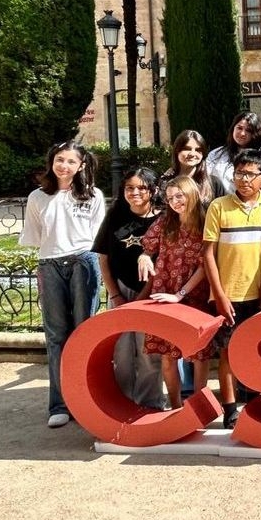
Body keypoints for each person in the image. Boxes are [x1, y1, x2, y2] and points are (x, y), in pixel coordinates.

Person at [20, 141, 106, 428]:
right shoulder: (38, 197)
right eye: (60, 160)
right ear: (51, 162)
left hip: (84, 262)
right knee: (56, 335)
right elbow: (35, 236)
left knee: (84, 332)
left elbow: (98, 236)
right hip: (50, 264)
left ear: (81, 165)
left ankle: (86, 400)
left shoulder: (93, 195)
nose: (64, 166)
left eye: (71, 161)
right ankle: (59, 404)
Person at [203, 149, 261, 429]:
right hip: (227, 295)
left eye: (250, 174)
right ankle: (230, 410)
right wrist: (219, 295)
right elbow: (208, 254)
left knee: (256, 351)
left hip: (259, 294)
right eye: (239, 173)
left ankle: (255, 404)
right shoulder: (219, 206)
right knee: (227, 352)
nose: (244, 180)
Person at [138, 176, 214, 410]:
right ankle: (176, 407)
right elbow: (147, 247)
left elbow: (205, 265)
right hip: (166, 292)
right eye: (170, 198)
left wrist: (180, 294)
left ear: (192, 194)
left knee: (199, 354)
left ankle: (199, 407)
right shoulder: (165, 222)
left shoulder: (206, 222)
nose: (174, 202)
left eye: (179, 196)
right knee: (168, 353)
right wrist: (144, 257)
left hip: (195, 295)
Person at [94, 166, 164, 410]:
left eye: (141, 188)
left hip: (150, 294)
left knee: (148, 351)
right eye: (129, 188)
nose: (135, 193)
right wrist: (115, 295)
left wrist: (141, 299)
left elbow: (163, 263)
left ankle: (150, 403)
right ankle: (123, 402)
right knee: (121, 350)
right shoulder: (116, 215)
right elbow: (103, 257)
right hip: (121, 290)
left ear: (153, 190)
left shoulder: (163, 220)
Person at [206, 111, 261, 195]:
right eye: (239, 128)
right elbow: (205, 179)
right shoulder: (216, 154)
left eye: (248, 130)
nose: (242, 133)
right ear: (233, 128)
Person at [161, 129, 226, 205]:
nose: (192, 154)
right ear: (177, 151)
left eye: (198, 150)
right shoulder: (165, 182)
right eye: (187, 149)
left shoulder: (214, 183)